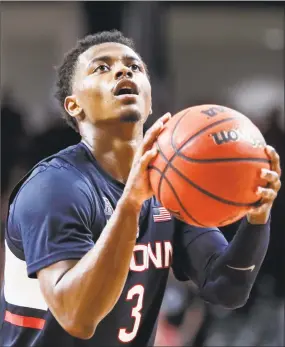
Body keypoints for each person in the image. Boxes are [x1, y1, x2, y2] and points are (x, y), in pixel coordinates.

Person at [0, 30, 281, 347]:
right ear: (74, 105)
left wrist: (256, 221)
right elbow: (77, 316)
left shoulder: (169, 187)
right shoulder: (54, 187)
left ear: (149, 102)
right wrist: (130, 206)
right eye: (101, 67)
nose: (123, 70)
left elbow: (226, 287)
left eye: (135, 66)